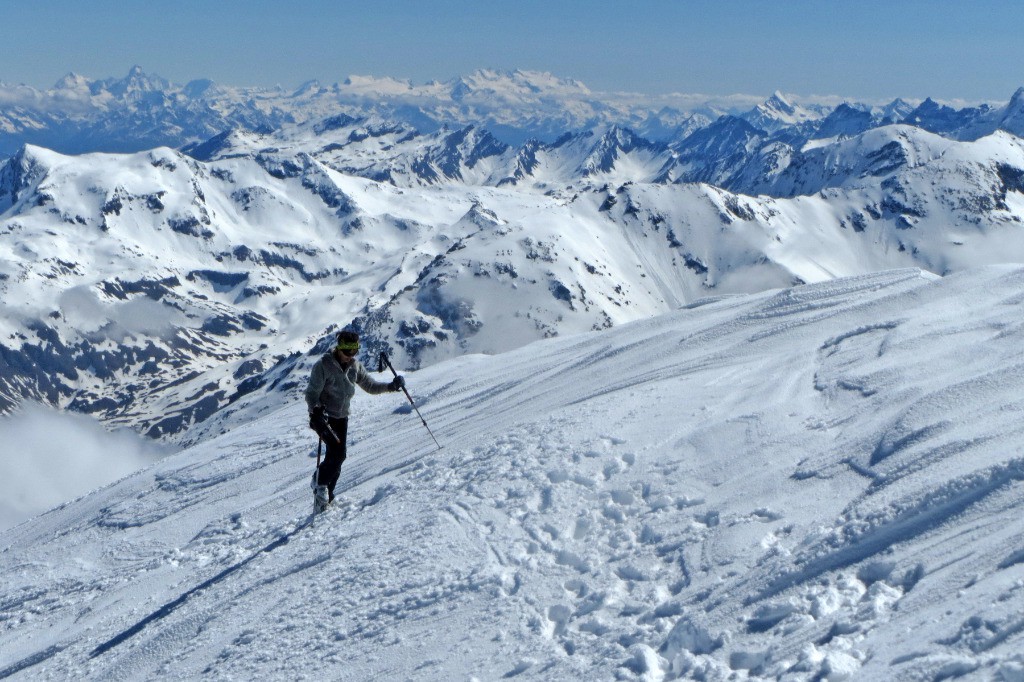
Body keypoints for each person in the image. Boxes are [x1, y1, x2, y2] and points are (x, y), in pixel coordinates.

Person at [305, 330, 404, 504]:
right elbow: (312, 393)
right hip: (324, 418)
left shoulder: (355, 367)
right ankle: (319, 483)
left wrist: (391, 386)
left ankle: (327, 492)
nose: (350, 356)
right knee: (337, 455)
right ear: (338, 347)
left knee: (337, 457)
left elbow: (371, 386)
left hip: (342, 417)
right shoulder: (323, 365)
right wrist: (316, 410)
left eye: (354, 351)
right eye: (346, 351)